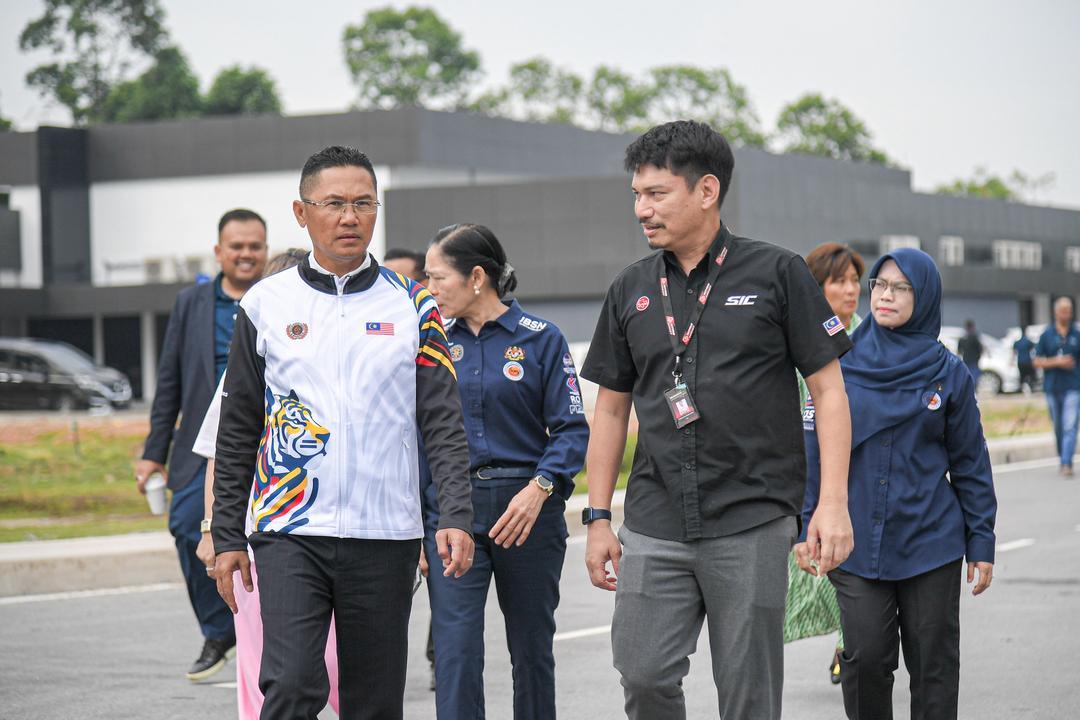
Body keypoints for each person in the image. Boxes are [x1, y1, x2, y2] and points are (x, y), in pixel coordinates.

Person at [580, 120, 854, 720]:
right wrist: (598, 517)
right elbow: (611, 408)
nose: (642, 210)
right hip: (654, 519)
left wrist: (831, 504)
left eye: (656, 194)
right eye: (637, 194)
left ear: (707, 190)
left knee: (748, 696)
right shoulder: (630, 288)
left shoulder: (778, 273)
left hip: (752, 518)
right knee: (643, 675)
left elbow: (829, 391)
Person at [211, 145, 476, 719]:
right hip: (289, 530)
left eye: (363, 204)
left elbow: (441, 420)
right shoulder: (264, 304)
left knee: (373, 703)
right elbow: (237, 430)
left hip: (385, 532)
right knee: (290, 684)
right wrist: (227, 534)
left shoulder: (415, 304)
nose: (350, 217)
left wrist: (455, 513)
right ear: (302, 213)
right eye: (333, 204)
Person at [799, 247, 997, 719]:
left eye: (901, 287)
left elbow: (970, 462)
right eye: (880, 285)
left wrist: (981, 541)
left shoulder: (948, 372)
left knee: (934, 666)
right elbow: (812, 455)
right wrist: (806, 525)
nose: (885, 295)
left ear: (923, 296)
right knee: (865, 658)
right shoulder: (838, 364)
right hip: (855, 542)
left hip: (930, 540)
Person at [420, 223, 589, 720]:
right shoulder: (429, 342)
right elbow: (416, 437)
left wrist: (540, 488)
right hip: (453, 511)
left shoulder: (541, 339)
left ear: (476, 277)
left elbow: (571, 429)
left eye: (437, 278)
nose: (429, 289)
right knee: (454, 652)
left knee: (532, 651)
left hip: (528, 512)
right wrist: (421, 521)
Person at [192, 248, 340, 719]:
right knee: (265, 667)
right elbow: (220, 453)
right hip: (262, 541)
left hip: (341, 539)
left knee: (337, 667)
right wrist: (213, 530)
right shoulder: (247, 366)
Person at [134, 208, 268, 680]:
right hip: (199, 446)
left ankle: (266, 637)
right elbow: (169, 379)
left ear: (265, 249)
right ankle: (220, 631)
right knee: (188, 527)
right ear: (218, 251)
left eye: (255, 246)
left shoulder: (277, 297)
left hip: (266, 441)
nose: (246, 254)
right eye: (237, 246)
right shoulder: (191, 303)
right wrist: (153, 453)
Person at [786, 242, 865, 686]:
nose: (851, 290)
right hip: (810, 474)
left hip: (862, 474)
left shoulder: (870, 340)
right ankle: (849, 641)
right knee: (820, 571)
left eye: (855, 281)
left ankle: (849, 643)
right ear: (817, 288)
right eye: (839, 281)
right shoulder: (800, 342)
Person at [1034, 297, 1080, 476]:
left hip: (1073, 386)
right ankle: (1063, 456)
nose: (1066, 314)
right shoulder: (1047, 335)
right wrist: (1057, 362)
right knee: (1059, 427)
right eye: (1063, 310)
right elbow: (1037, 361)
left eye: (1069, 310)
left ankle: (1066, 462)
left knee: (1070, 425)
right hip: (1052, 387)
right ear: (1055, 312)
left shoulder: (1076, 334)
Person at [957, 319, 984, 387]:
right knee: (974, 378)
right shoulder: (975, 337)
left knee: (967, 377)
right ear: (972, 327)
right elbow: (980, 349)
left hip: (966, 360)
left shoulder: (962, 338)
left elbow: (959, 351)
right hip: (974, 361)